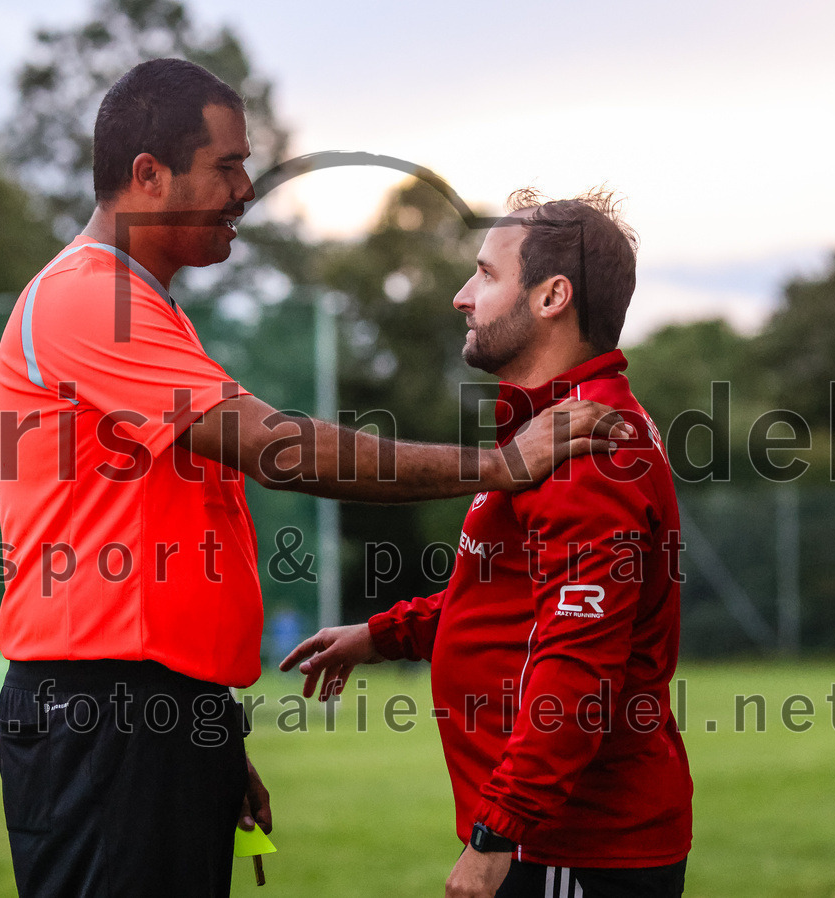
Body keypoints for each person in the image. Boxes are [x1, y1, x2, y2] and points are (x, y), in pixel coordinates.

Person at [0, 58, 632, 898]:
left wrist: (209, 732)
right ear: (148, 176)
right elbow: (275, 447)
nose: (247, 187)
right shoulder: (89, 300)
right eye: (227, 164)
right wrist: (503, 466)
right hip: (106, 718)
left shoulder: (140, 306)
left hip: (145, 717)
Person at [282, 190, 693, 898]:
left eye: (486, 274)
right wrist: (382, 634)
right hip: (550, 841)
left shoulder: (587, 451)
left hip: (573, 847)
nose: (461, 297)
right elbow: (508, 598)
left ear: (551, 297)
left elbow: (578, 662)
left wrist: (496, 835)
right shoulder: (545, 432)